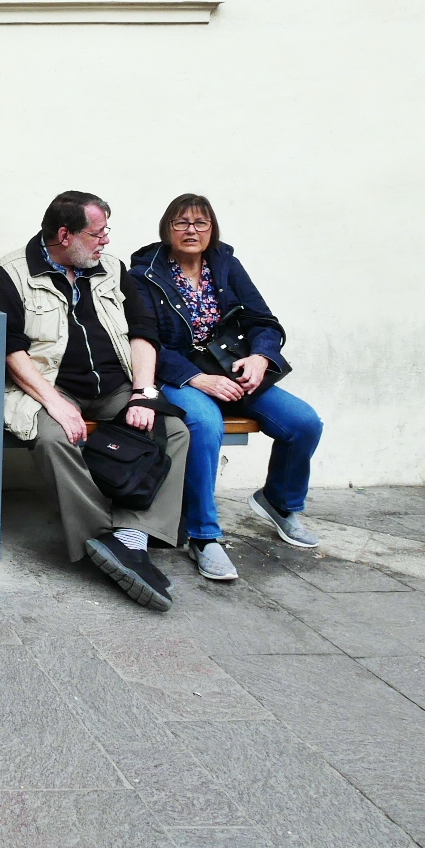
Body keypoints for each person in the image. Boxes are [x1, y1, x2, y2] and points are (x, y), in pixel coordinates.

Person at [0, 191, 191, 612]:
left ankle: (131, 537)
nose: (106, 241)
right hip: (47, 386)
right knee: (54, 439)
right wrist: (53, 402)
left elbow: (142, 332)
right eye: (97, 233)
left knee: (174, 430)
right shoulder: (7, 275)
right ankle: (102, 538)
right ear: (65, 234)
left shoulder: (112, 269)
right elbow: (9, 348)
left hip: (115, 387)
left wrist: (143, 393)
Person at [128, 194, 324, 579]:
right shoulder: (143, 274)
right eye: (181, 223)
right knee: (204, 425)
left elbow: (263, 321)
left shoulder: (226, 265)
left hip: (232, 371)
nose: (191, 231)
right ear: (167, 229)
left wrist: (260, 357)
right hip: (182, 375)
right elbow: (144, 337)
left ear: (212, 229)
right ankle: (204, 535)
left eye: (201, 223)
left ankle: (279, 502)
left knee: (304, 422)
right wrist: (197, 379)